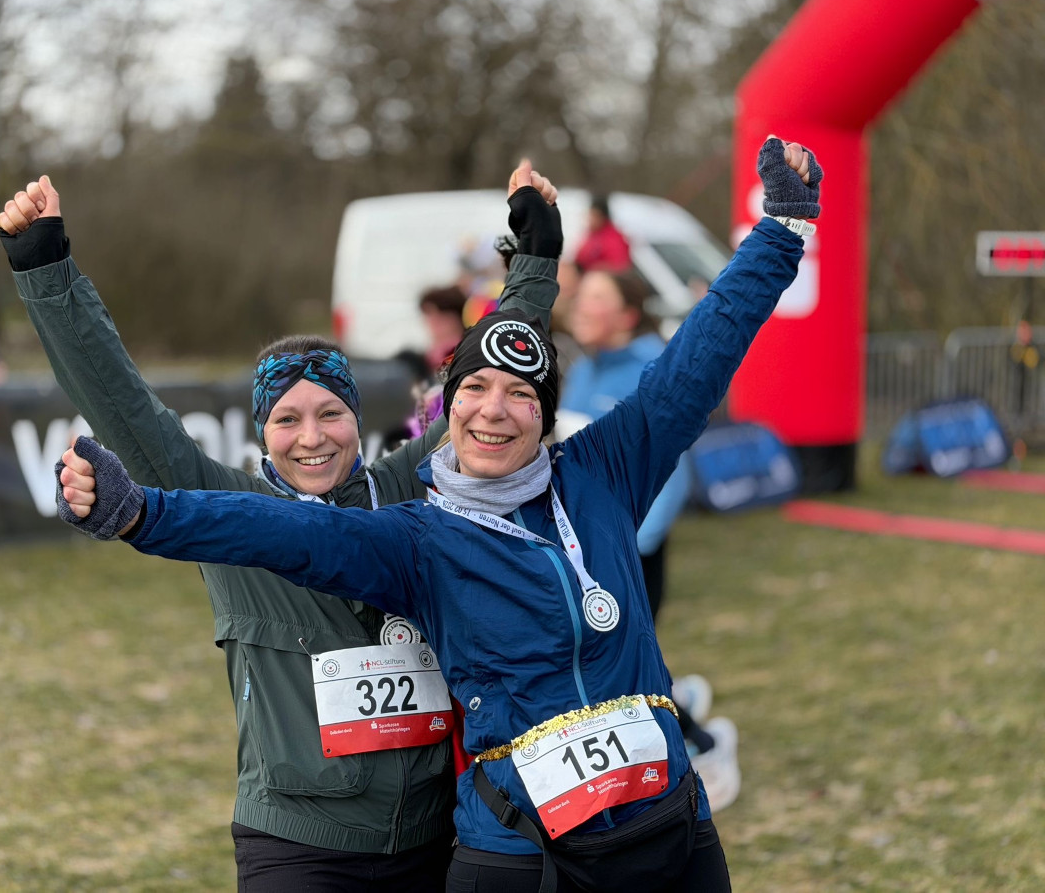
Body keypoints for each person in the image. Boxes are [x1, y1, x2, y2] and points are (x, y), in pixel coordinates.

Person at [55, 137, 822, 892]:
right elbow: (285, 530)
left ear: (545, 412)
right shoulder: (418, 536)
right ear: (443, 409)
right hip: (523, 854)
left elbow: (697, 360)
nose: (495, 412)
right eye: (474, 391)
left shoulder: (603, 474)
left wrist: (781, 233)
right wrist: (141, 515)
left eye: (521, 394)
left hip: (668, 831)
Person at [0, 159, 564, 892]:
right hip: (297, 845)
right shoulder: (228, 512)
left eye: (331, 413)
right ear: (263, 432)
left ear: (358, 422)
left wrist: (535, 258)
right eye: (287, 419)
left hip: (435, 836)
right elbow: (122, 403)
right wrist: (45, 267)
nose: (312, 436)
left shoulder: (416, 486)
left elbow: (495, 377)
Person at [559, 268, 737, 812]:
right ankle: (680, 707)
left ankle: (705, 744)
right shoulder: (581, 370)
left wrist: (630, 541)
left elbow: (669, 470)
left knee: (626, 665)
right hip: (581, 552)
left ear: (627, 314)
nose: (579, 308)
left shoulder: (651, 371)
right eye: (580, 298)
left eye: (594, 298)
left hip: (630, 550)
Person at [573, 194, 631, 275]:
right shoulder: (591, 234)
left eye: (594, 216)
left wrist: (595, 268)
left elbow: (619, 266)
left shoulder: (613, 238)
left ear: (602, 217)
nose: (590, 219)